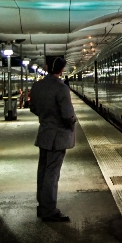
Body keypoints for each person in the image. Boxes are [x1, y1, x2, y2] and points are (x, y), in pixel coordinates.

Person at [29, 56, 76, 222]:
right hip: (58, 136)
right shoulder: (61, 88)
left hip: (44, 133)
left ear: (47, 67)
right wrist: (72, 123)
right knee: (52, 173)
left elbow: (33, 107)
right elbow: (67, 114)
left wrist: (46, 117)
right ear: (62, 70)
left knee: (42, 171)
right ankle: (49, 210)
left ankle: (43, 206)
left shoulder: (37, 85)